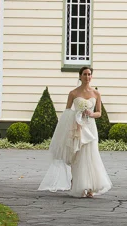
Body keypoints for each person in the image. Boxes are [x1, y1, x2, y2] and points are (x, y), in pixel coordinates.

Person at [38, 66, 112, 198]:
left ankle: (91, 187)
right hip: (77, 126)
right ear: (80, 76)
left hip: (90, 127)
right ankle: (79, 185)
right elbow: (67, 112)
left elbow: (99, 113)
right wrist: (76, 116)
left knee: (91, 155)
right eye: (85, 74)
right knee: (78, 155)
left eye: (89, 74)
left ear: (91, 76)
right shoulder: (73, 93)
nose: (87, 77)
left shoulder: (96, 93)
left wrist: (91, 114)